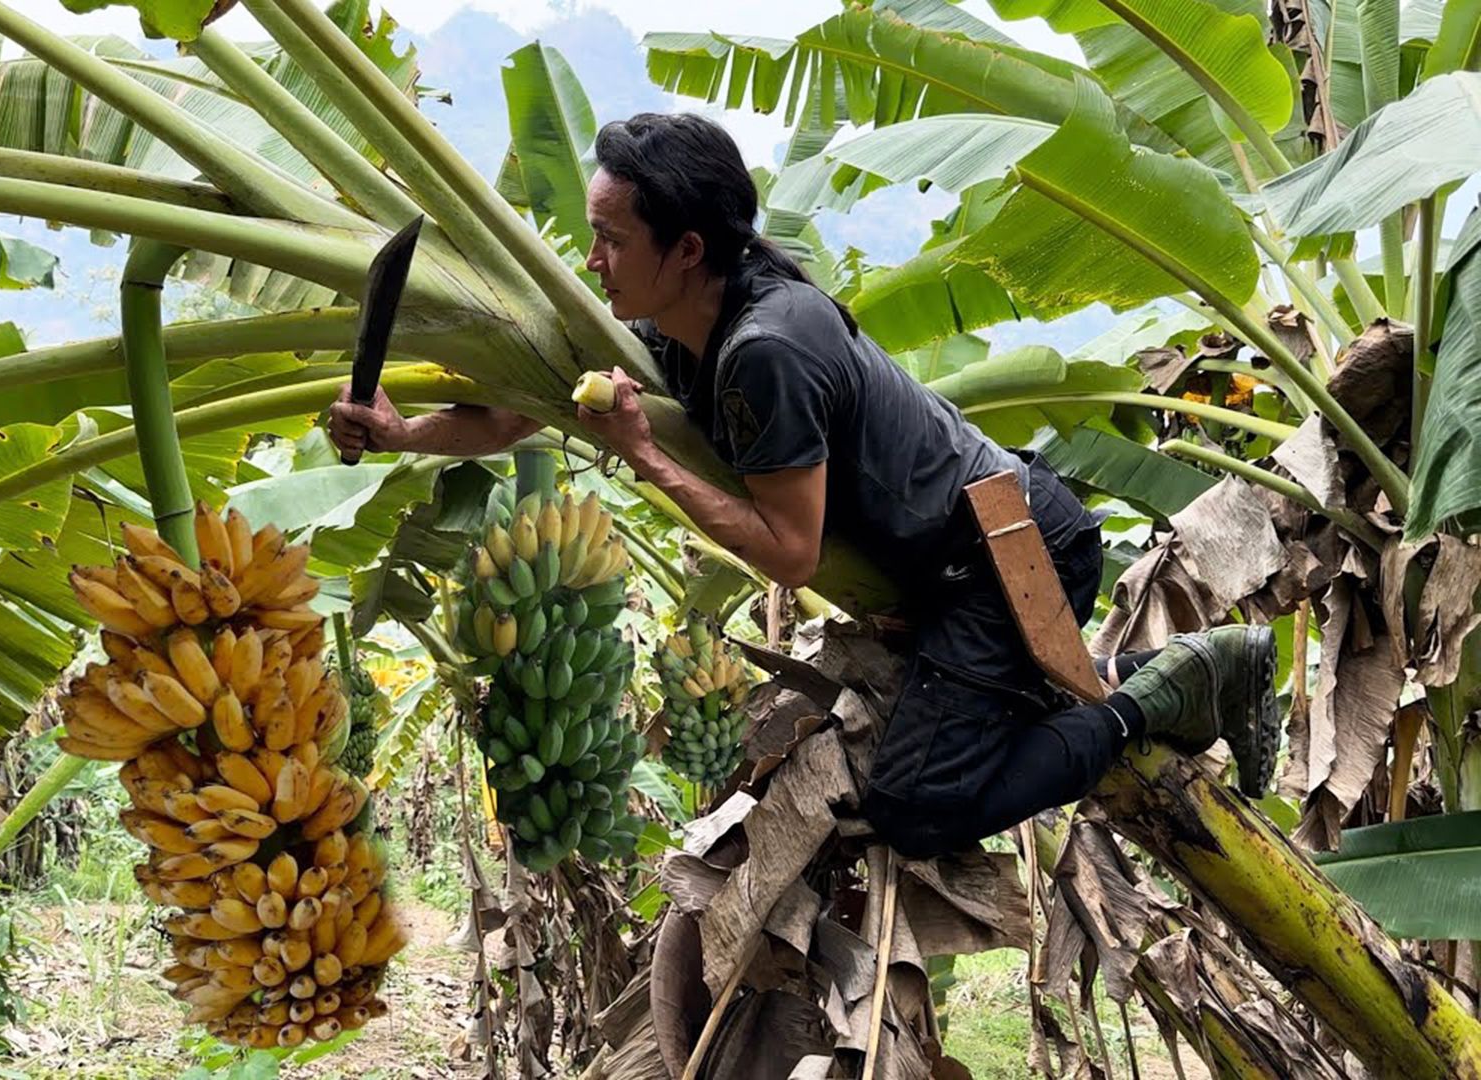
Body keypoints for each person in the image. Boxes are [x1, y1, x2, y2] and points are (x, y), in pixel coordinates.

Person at [327, 112, 1279, 858]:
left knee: (917, 807)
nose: (593, 260)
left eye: (611, 238)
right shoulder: (678, 318)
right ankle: (1147, 676)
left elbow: (790, 554)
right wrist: (405, 429)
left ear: (688, 247)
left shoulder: (765, 350)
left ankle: (1159, 690)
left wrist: (643, 454)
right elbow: (530, 408)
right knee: (997, 720)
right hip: (962, 556)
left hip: (1008, 551)